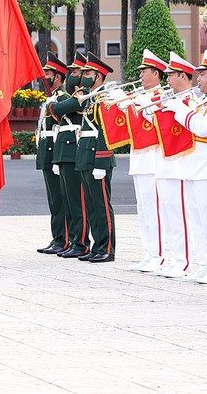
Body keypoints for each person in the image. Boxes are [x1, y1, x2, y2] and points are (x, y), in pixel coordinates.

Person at [162, 50, 207, 284]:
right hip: (196, 166)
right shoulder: (204, 101)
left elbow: (203, 128)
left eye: (203, 74)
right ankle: (204, 264)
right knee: (198, 218)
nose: (198, 79)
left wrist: (180, 111)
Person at [149, 53, 200, 279]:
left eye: (171, 75)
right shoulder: (169, 100)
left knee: (181, 215)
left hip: (181, 165)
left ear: (183, 75)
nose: (167, 79)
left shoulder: (192, 102)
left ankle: (185, 262)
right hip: (165, 163)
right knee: (169, 215)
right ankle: (176, 258)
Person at [119, 50, 168, 271]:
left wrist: (136, 101)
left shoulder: (161, 96)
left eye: (144, 72)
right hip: (140, 159)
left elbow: (156, 121)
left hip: (153, 159)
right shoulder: (141, 95)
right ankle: (150, 253)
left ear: (156, 73)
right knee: (144, 210)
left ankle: (160, 255)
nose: (140, 76)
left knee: (156, 210)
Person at [72, 52, 117, 263]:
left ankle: (106, 248)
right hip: (85, 155)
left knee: (101, 205)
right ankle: (97, 245)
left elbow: (107, 133)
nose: (83, 76)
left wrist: (101, 160)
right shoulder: (90, 99)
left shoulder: (104, 99)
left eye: (88, 73)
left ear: (98, 76)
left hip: (97, 157)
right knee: (91, 205)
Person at [47, 51, 90, 258]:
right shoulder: (73, 95)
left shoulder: (83, 94)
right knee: (68, 200)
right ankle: (73, 241)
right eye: (71, 71)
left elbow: (60, 108)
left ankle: (81, 242)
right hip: (65, 150)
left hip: (75, 150)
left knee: (77, 202)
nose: (72, 74)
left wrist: (57, 106)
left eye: (76, 71)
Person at [35, 52, 68, 254]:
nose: (43, 77)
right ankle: (57, 237)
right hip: (46, 151)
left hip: (55, 151)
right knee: (53, 200)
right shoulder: (49, 99)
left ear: (57, 77)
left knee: (60, 198)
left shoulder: (62, 99)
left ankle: (63, 240)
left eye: (47, 73)